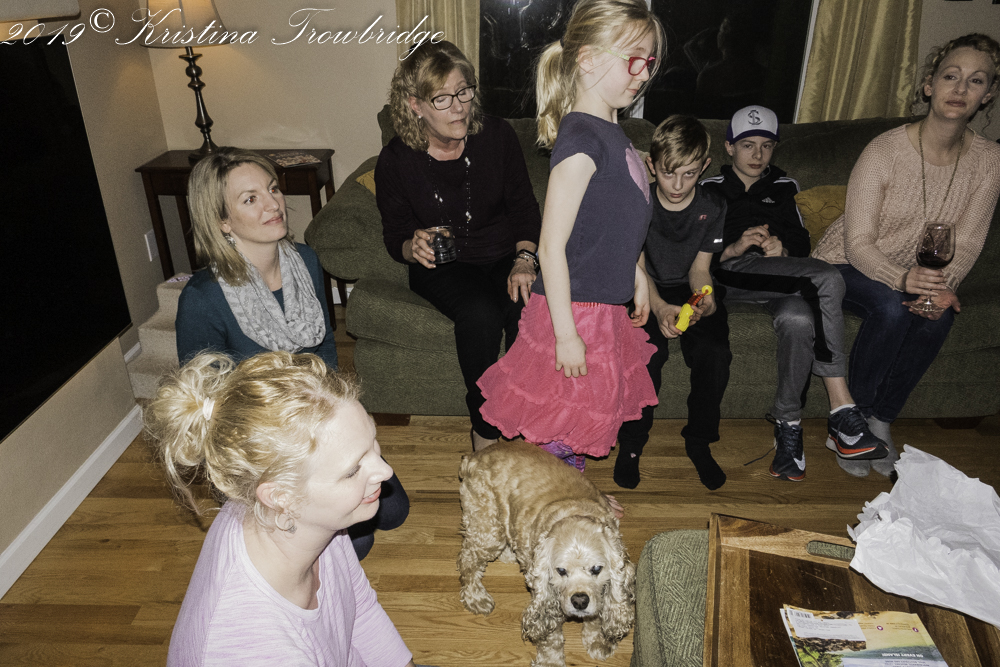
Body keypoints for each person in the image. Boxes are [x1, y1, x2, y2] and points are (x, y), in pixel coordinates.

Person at [175, 148, 408, 559]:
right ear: (223, 221)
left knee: (392, 510)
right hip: (266, 445)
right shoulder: (202, 299)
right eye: (251, 199)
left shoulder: (306, 260)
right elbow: (208, 406)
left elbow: (325, 349)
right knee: (359, 542)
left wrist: (339, 426)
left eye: (273, 189)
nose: (273, 204)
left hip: (317, 419)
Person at [477, 0, 665, 471]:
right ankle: (553, 501)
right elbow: (550, 246)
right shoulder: (582, 139)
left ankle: (570, 492)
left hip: (604, 307)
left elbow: (614, 223)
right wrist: (566, 335)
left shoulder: (615, 133)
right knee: (560, 423)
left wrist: (638, 275)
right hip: (576, 310)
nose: (644, 73)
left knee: (576, 422)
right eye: (633, 60)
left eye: (649, 61)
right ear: (588, 58)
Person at [145, 351, 418, 667]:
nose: (385, 471)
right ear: (280, 497)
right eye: (353, 470)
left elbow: (360, 609)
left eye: (373, 443)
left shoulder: (308, 515)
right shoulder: (253, 649)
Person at [813, 34, 1000, 477]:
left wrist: (942, 286)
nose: (960, 88)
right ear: (929, 85)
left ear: (988, 94)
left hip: (914, 272)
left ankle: (881, 418)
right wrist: (901, 280)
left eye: (975, 81)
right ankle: (851, 425)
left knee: (938, 313)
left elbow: (968, 242)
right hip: (844, 262)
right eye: (950, 76)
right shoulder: (884, 151)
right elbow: (858, 242)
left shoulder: (990, 161)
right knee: (892, 307)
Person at [701, 105, 888, 482]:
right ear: (729, 147)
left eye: (767, 146)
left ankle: (788, 428)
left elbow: (802, 241)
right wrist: (734, 247)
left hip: (779, 276)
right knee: (826, 278)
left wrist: (782, 249)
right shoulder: (710, 188)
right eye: (748, 145)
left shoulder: (785, 186)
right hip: (729, 273)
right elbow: (695, 248)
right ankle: (842, 409)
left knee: (799, 318)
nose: (758, 154)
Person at [376, 40, 542, 453]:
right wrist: (412, 247)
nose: (460, 108)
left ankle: (525, 415)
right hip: (442, 265)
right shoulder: (396, 160)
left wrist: (525, 259)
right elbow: (394, 236)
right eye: (443, 98)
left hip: (504, 253)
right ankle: (484, 427)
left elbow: (524, 208)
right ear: (415, 105)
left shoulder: (497, 136)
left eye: (464, 92)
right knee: (481, 312)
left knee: (527, 305)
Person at [615, 115, 732, 490]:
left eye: (689, 174)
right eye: (668, 173)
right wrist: (661, 307)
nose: (678, 185)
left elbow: (701, 270)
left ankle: (699, 442)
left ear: (705, 167)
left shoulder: (713, 206)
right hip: (642, 285)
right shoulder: (638, 200)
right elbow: (636, 268)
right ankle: (632, 444)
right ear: (652, 165)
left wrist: (703, 302)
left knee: (715, 352)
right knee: (648, 355)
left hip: (688, 287)